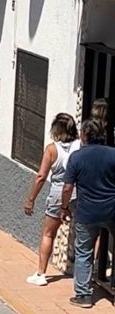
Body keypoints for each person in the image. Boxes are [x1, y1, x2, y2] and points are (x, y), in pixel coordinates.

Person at [61, 119, 115, 308]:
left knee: (84, 252)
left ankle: (83, 295)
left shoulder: (77, 157)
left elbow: (67, 187)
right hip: (112, 210)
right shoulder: (113, 154)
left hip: (87, 213)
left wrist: (64, 207)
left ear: (85, 135)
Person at [24, 113, 80, 286]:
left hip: (58, 192)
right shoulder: (81, 146)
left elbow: (41, 176)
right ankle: (86, 273)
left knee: (48, 233)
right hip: (79, 192)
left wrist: (31, 199)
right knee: (85, 233)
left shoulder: (51, 149)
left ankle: (41, 273)